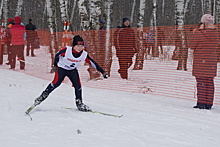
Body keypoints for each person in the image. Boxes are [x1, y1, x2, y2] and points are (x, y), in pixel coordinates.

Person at [33, 35, 108, 112]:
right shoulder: (66, 50)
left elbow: (93, 63)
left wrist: (103, 72)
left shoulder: (84, 54)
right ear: (73, 45)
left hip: (72, 70)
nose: (80, 48)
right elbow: (57, 55)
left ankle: (79, 104)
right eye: (78, 45)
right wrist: (55, 65)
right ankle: (41, 97)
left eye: (82, 46)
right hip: (62, 69)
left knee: (78, 85)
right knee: (56, 83)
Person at [189, 14, 219, 110]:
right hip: (212, 61)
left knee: (201, 82)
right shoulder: (216, 33)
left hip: (200, 61)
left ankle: (201, 104)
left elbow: (192, 46)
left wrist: (195, 33)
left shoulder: (199, 33)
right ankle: (209, 104)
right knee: (210, 82)